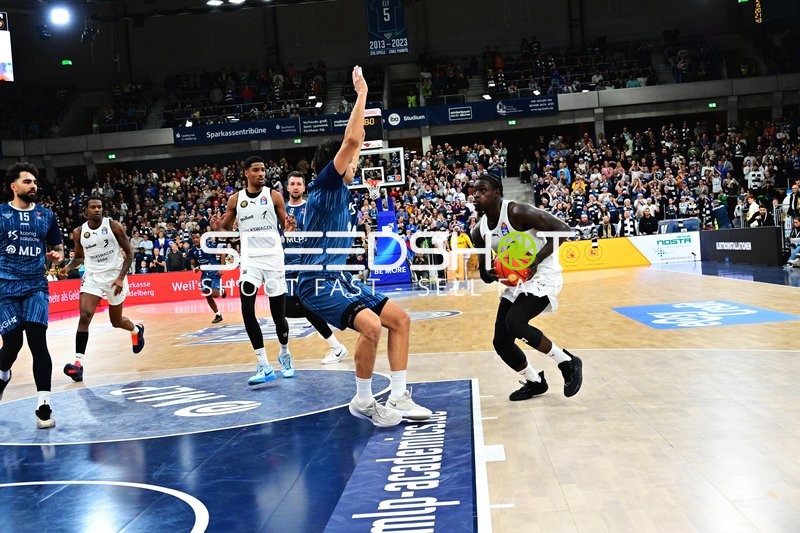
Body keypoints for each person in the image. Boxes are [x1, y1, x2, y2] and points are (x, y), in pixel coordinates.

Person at [297, 66, 431, 427]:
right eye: (349, 162)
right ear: (334, 165)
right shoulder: (324, 186)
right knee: (371, 326)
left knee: (400, 320)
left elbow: (353, 151)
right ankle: (363, 401)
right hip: (316, 282)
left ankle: (400, 395)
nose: (355, 163)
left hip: (339, 276)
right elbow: (352, 143)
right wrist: (361, 96)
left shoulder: (339, 191)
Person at [470, 174, 583, 401]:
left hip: (542, 274)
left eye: (482, 190)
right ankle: (535, 381)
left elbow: (563, 230)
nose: (476, 195)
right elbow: (484, 275)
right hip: (517, 282)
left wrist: (535, 261)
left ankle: (568, 363)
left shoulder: (517, 212)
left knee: (515, 323)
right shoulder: (478, 232)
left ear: (497, 193)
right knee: (501, 341)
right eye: (475, 191)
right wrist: (491, 273)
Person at [210, 155, 295, 385]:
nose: (261, 173)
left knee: (279, 316)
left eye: (263, 169)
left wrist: (288, 226)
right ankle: (264, 364)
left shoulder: (273, 195)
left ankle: (285, 354)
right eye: (256, 170)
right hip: (250, 262)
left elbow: (286, 224)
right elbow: (226, 229)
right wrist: (219, 224)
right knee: (247, 308)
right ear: (246, 172)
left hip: (274, 260)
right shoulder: (235, 199)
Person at [0, 162, 64, 428]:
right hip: (5, 287)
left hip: (36, 285)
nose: (33, 185)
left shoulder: (46, 216)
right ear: (13, 187)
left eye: (35, 181)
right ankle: (4, 375)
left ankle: (43, 405)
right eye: (27, 181)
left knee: (38, 342)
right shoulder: (1, 214)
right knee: (12, 344)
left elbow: (59, 248)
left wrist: (57, 255)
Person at [58, 196, 145, 383]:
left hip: (115, 276)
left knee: (116, 321)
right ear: (86, 211)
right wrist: (67, 267)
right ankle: (78, 365)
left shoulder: (113, 226)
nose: (97, 210)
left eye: (99, 207)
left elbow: (129, 253)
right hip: (92, 277)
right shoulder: (79, 232)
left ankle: (136, 330)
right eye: (93, 207)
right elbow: (79, 258)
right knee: (85, 315)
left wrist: (121, 277)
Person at [284, 171, 348, 364]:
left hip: (307, 266)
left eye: (299, 184)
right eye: (292, 184)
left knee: (306, 306)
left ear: (304, 188)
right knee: (285, 309)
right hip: (286, 268)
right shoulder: (282, 210)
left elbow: (318, 235)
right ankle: (331, 335)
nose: (295, 187)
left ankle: (335, 345)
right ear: (287, 187)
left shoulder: (311, 208)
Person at [188, 230, 227, 324]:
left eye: (197, 237)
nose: (196, 239)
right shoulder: (192, 251)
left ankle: (223, 290)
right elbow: (193, 264)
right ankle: (218, 315)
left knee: (215, 294)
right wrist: (194, 268)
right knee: (207, 295)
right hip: (204, 274)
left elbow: (223, 253)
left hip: (214, 272)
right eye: (194, 238)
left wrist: (221, 268)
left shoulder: (209, 246)